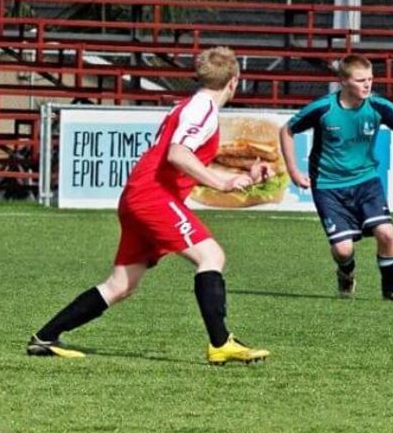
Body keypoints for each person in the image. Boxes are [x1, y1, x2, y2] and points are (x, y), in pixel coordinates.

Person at [28, 46, 271, 365]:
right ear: (234, 82)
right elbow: (178, 154)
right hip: (153, 197)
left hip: (139, 196)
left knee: (121, 285)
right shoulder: (203, 111)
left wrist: (242, 176)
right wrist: (222, 183)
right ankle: (220, 342)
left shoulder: (191, 106)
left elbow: (183, 158)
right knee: (211, 255)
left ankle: (44, 338)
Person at [278, 53, 393, 302]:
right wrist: (294, 171)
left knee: (386, 233)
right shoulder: (323, 108)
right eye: (360, 80)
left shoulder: (379, 106)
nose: (367, 85)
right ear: (343, 81)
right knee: (343, 250)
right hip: (328, 185)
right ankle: (346, 272)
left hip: (366, 180)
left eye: (370, 79)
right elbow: (287, 130)